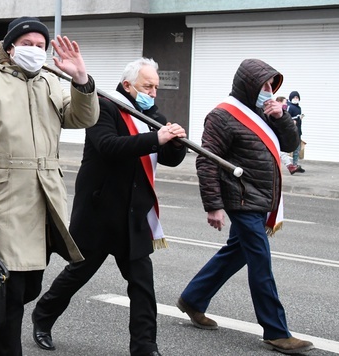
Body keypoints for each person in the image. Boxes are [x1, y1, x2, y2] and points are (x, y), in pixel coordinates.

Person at [0, 17, 100, 356]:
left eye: (40, 46)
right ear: (10, 46)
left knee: (28, 287)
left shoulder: (49, 81)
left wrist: (80, 79)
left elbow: (81, 118)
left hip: (42, 202)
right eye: (27, 44)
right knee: (10, 294)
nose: (34, 50)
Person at [32, 58, 187, 356]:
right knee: (78, 274)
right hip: (100, 213)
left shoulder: (150, 114)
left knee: (142, 285)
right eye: (147, 86)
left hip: (134, 216)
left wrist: (175, 144)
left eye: (156, 87)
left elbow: (165, 156)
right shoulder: (105, 106)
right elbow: (110, 147)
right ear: (128, 85)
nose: (153, 93)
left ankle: (145, 346)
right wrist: (157, 138)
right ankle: (43, 315)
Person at [176, 59, 313, 355]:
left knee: (235, 254)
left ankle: (193, 298)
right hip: (241, 199)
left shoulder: (264, 113)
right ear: (248, 85)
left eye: (271, 86)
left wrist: (281, 117)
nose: (268, 91)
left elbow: (290, 143)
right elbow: (206, 160)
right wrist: (213, 205)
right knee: (260, 262)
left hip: (260, 198)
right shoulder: (223, 116)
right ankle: (277, 332)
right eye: (264, 86)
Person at [286, 91, 305, 174]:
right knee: (286, 150)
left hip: (298, 130)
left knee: (297, 149)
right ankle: (289, 165)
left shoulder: (299, 108)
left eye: (297, 97)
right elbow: (287, 117)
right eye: (294, 97)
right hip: (291, 131)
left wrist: (299, 118)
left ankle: (295, 165)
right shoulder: (289, 107)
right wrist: (295, 118)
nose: (296, 99)